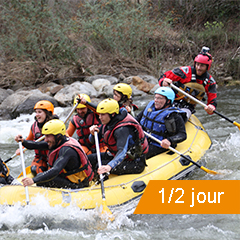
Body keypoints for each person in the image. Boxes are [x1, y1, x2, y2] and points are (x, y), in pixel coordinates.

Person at [15, 119, 94, 189]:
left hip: (78, 183)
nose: (45, 139)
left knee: (42, 180)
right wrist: (23, 141)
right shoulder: (57, 142)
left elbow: (55, 170)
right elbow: (37, 145)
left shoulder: (67, 150)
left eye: (48, 136)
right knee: (41, 176)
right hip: (69, 178)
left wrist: (33, 180)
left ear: (58, 136)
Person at [87, 98, 149, 176]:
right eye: (99, 114)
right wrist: (92, 134)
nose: (100, 117)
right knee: (89, 159)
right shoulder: (108, 122)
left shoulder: (122, 129)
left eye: (103, 114)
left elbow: (122, 152)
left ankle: (99, 183)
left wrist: (109, 166)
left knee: (99, 166)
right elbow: (92, 141)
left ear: (112, 114)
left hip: (134, 162)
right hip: (117, 156)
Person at [158, 46, 217, 119]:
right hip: (172, 101)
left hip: (188, 107)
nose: (198, 68)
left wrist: (211, 107)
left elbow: (212, 101)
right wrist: (163, 81)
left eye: (202, 66)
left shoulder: (210, 82)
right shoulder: (185, 72)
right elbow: (163, 77)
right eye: (197, 64)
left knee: (179, 118)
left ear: (207, 67)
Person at [136, 87, 187, 159]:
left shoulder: (173, 115)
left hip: (158, 144)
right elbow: (137, 119)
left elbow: (182, 134)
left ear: (168, 101)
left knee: (138, 155)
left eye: (160, 98)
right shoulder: (150, 106)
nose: (156, 100)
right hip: (143, 139)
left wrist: (169, 140)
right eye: (155, 97)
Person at [15, 100, 58, 176]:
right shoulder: (34, 126)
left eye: (40, 112)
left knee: (52, 173)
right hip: (41, 158)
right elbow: (29, 139)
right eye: (36, 112)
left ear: (47, 113)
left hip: (54, 157)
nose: (37, 115)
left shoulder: (57, 125)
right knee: (35, 169)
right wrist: (21, 147)